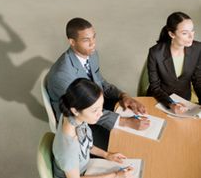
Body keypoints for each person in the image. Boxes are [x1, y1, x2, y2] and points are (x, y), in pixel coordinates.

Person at [46, 17, 150, 149]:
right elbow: (84, 111)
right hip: (80, 122)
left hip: (94, 106)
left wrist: (123, 96)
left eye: (94, 37)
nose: (92, 43)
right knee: (126, 144)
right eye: (86, 40)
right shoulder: (62, 75)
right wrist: (124, 122)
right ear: (72, 42)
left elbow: (100, 81)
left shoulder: (92, 55)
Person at [53, 78, 134, 178]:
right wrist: (115, 175)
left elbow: (86, 145)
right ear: (75, 111)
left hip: (84, 166)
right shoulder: (68, 148)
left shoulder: (72, 116)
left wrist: (106, 155)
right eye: (95, 110)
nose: (100, 114)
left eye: (101, 107)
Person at [147, 11, 201, 114]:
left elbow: (198, 80)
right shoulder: (155, 52)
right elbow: (155, 87)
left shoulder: (198, 49)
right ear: (172, 34)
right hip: (160, 100)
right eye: (185, 33)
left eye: (192, 31)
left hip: (184, 101)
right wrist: (171, 104)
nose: (191, 36)